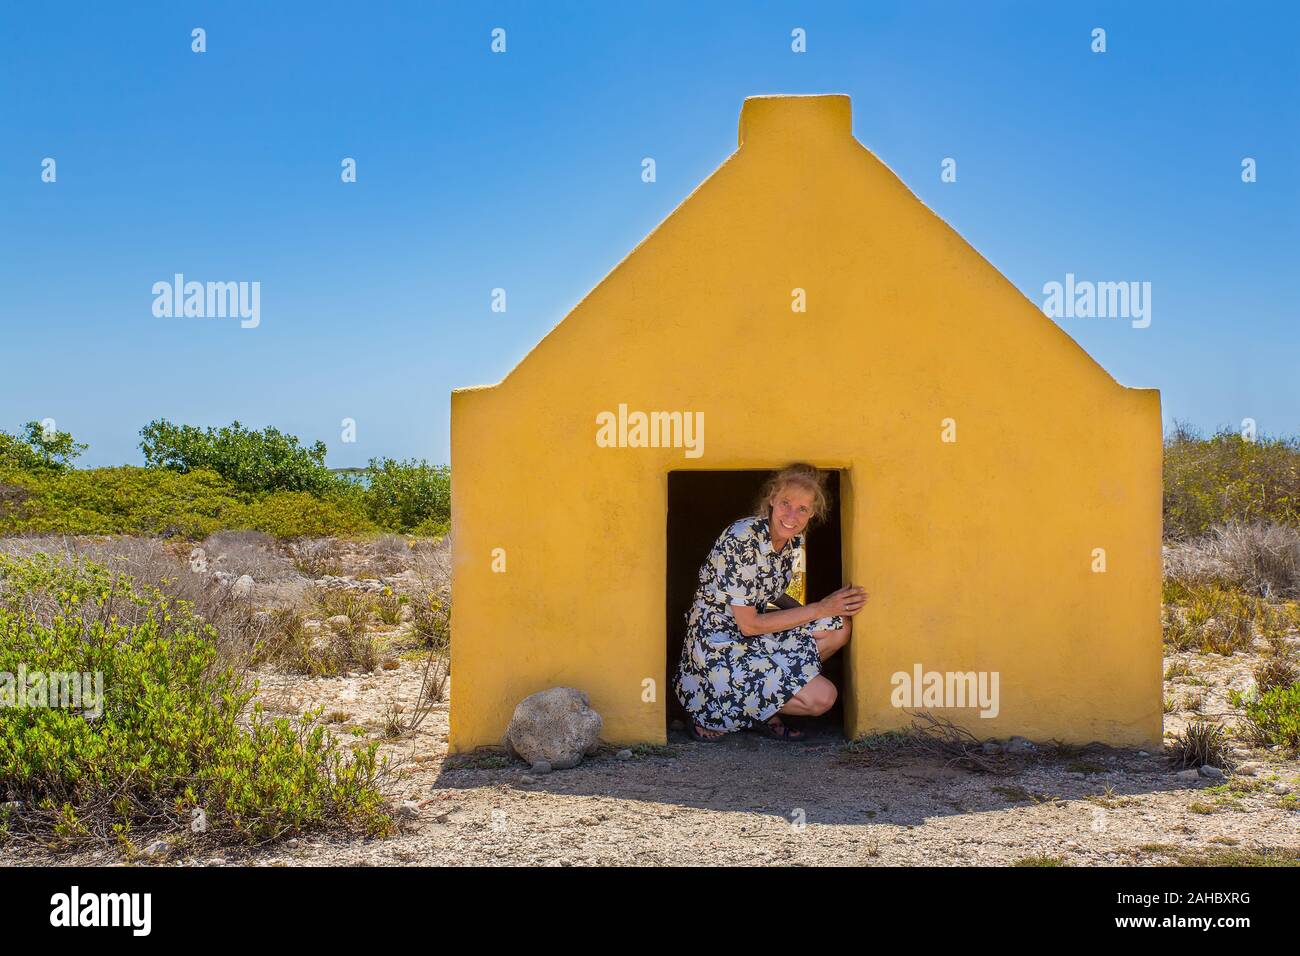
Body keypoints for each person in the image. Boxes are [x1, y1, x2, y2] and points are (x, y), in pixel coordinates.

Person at [673, 463, 868, 741]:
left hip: (754, 640)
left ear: (813, 512)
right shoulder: (741, 538)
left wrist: (826, 611)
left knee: (838, 626)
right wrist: (821, 607)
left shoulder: (790, 542)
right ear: (772, 500)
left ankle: (755, 705)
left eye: (802, 509)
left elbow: (770, 593)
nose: (792, 515)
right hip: (719, 646)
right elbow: (749, 625)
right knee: (823, 697)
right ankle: (711, 703)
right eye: (786, 503)